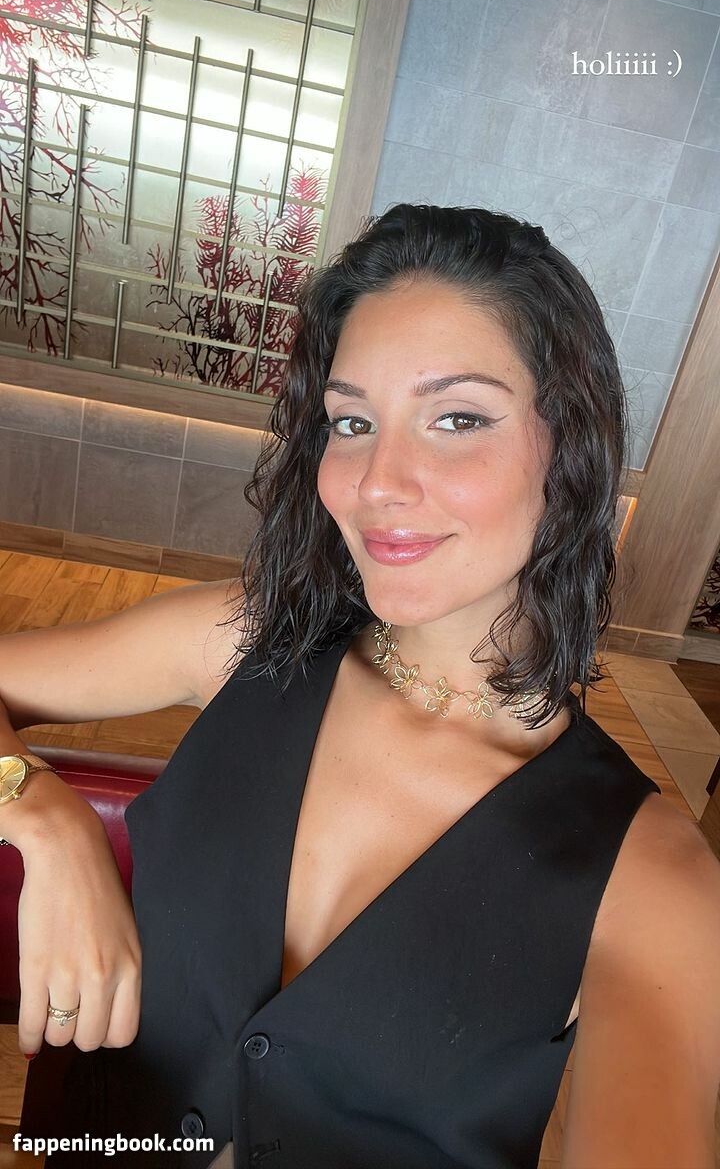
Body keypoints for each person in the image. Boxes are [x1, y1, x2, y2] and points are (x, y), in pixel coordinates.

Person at [1, 203, 719, 1169]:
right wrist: (46, 821)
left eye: (457, 419)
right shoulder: (247, 639)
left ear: (571, 446)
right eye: (352, 421)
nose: (379, 481)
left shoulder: (651, 877)